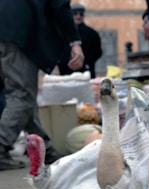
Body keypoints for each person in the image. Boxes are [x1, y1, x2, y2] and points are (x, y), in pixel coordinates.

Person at [0, 0, 85, 170]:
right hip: (19, 36)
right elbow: (60, 6)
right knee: (22, 96)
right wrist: (74, 42)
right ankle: (1, 145)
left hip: (7, 32)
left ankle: (46, 150)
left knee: (26, 98)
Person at [58, 3, 102, 79]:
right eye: (75, 14)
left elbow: (97, 52)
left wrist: (85, 62)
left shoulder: (92, 34)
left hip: (86, 72)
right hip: (66, 72)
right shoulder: (63, 33)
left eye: (81, 14)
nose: (78, 16)